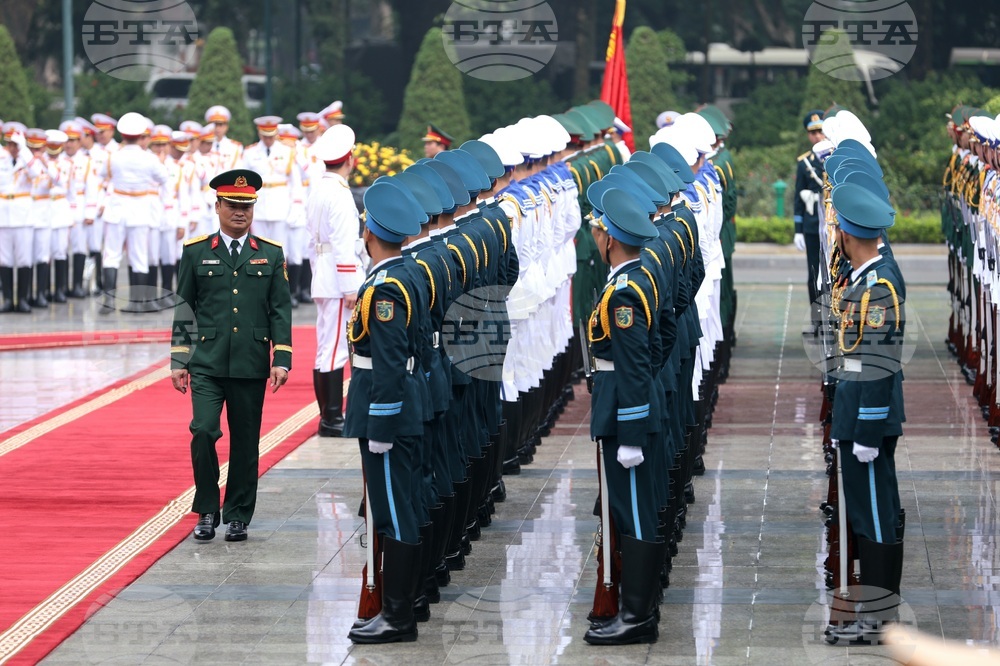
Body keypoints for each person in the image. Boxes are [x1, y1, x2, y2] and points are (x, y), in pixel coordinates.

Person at [169, 168, 293, 543]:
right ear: (218, 205)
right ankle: (207, 508)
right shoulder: (196, 252)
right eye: (233, 205)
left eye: (247, 206)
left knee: (244, 441)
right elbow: (184, 306)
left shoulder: (270, 254)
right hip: (205, 361)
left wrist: (281, 357)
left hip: (250, 362)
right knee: (203, 431)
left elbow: (279, 309)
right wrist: (179, 358)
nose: (241, 213)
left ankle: (238, 514)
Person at [343, 181, 426, 644]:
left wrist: (382, 421)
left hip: (386, 410)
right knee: (399, 506)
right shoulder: (405, 272)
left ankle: (398, 616)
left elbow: (392, 361)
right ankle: (399, 608)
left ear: (369, 233)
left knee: (395, 511)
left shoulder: (388, 287)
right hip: (394, 404)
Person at [824, 181, 906, 646]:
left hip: (868, 419)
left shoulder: (877, 287)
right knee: (868, 511)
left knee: (874, 514)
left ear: (846, 235)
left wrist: (869, 430)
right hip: (858, 413)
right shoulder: (866, 279)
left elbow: (879, 361)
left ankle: (878, 619)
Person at [583, 187, 666, 646]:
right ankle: (637, 612)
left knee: (634, 511)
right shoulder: (636, 280)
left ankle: (637, 617)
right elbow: (652, 353)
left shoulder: (624, 294)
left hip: (625, 409)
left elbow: (636, 364)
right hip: (624, 401)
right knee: (631, 509)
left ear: (610, 238)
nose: (596, 237)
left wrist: (632, 430)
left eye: (598, 230)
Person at [306, 124, 363, 436]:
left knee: (326, 346)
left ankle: (329, 416)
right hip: (338, 278)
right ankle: (331, 418)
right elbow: (343, 244)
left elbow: (310, 241)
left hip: (324, 275)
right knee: (334, 349)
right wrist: (350, 286)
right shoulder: (339, 195)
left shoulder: (318, 189)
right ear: (350, 159)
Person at [794, 110, 827, 335]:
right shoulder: (804, 162)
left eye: (820, 131)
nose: (817, 136)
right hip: (812, 225)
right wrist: (798, 229)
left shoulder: (833, 157)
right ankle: (817, 321)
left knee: (832, 274)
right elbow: (798, 197)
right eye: (813, 132)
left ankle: (834, 319)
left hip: (831, 226)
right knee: (814, 274)